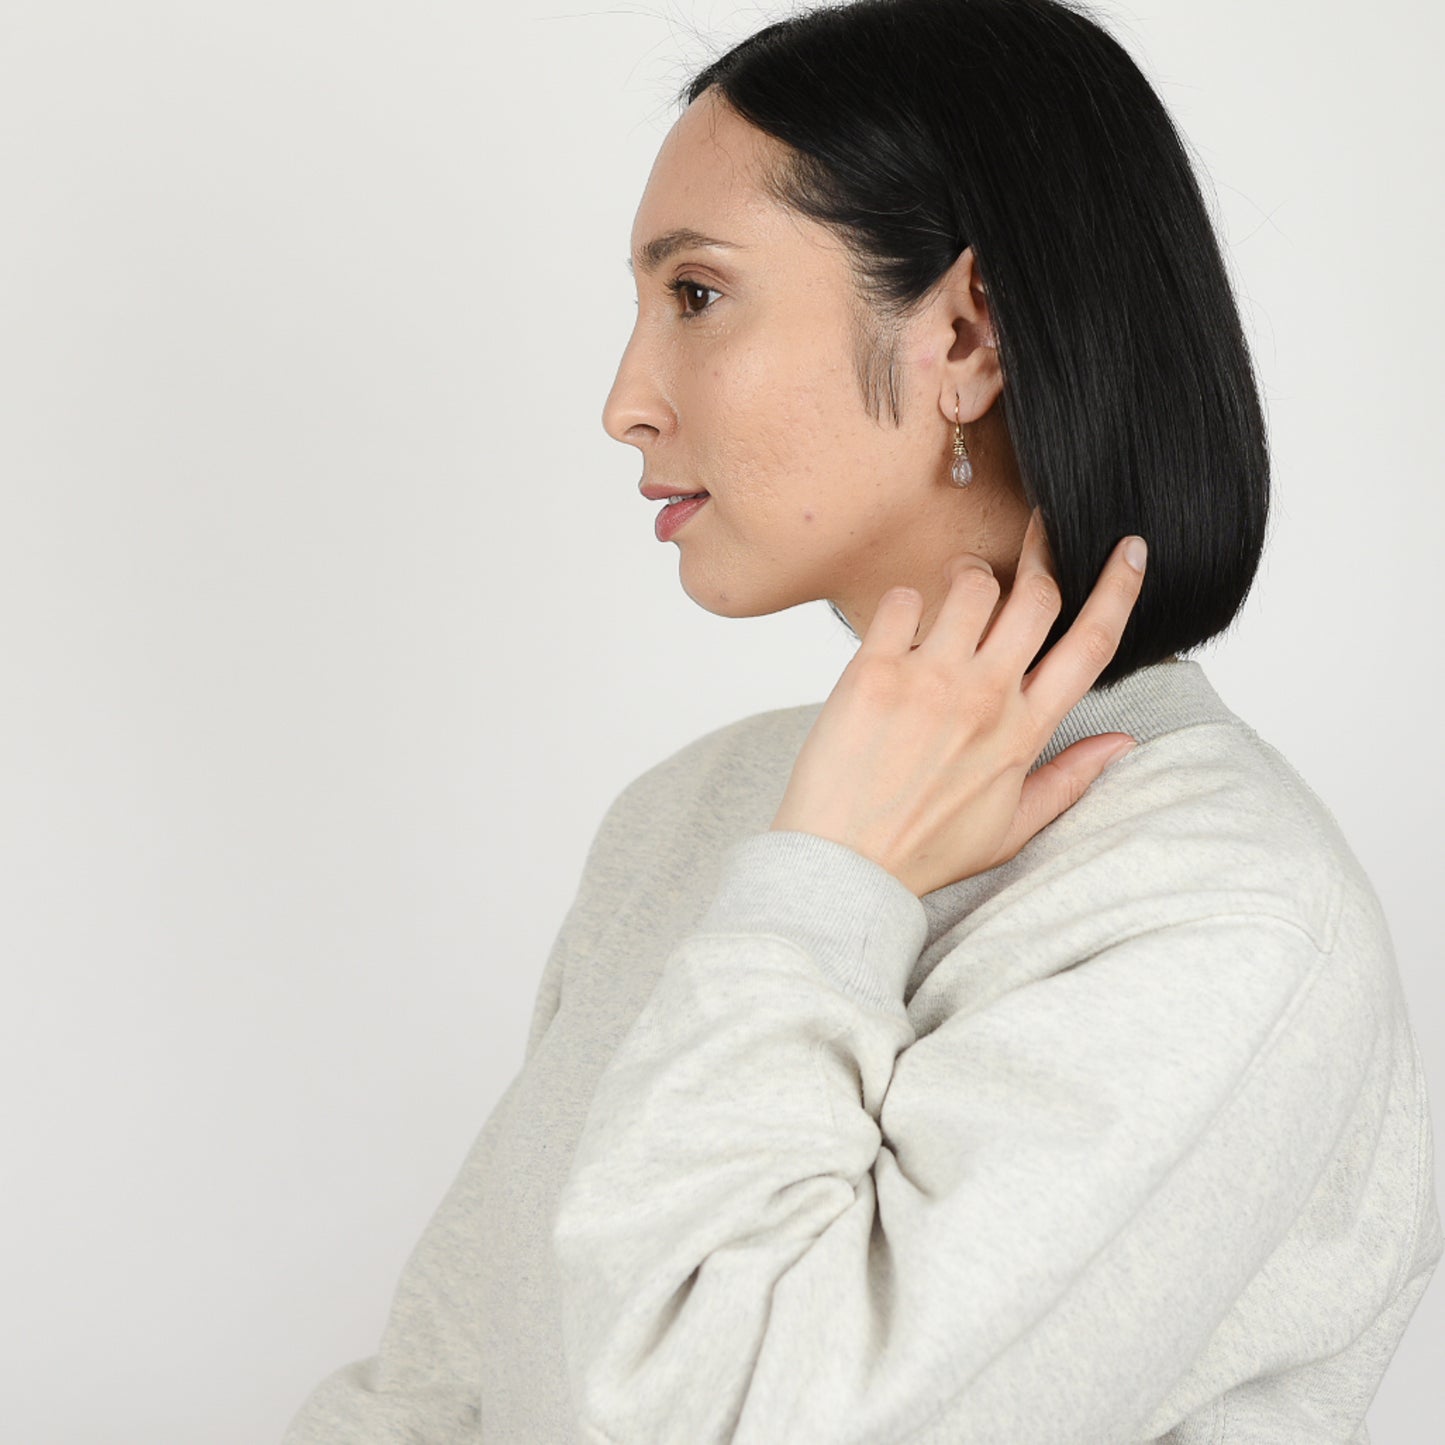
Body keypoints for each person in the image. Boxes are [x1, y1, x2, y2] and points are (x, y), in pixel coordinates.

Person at [282, 1, 1441, 1440]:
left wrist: (830, 892)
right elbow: (439, 1391)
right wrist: (818, 861)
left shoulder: (1226, 914)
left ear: (963, 335)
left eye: (696, 295)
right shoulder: (691, 818)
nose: (623, 403)